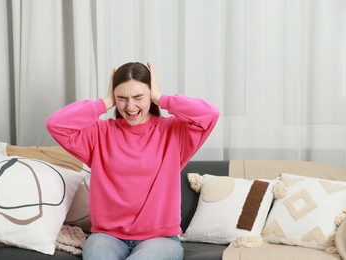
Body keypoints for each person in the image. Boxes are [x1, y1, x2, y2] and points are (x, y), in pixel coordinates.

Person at [46, 62, 219, 260]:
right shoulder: (100, 133)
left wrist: (162, 98)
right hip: (107, 237)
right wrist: (105, 102)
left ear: (150, 96)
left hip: (160, 239)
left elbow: (210, 114)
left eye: (138, 97)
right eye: (121, 98)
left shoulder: (173, 132)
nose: (130, 107)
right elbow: (55, 124)